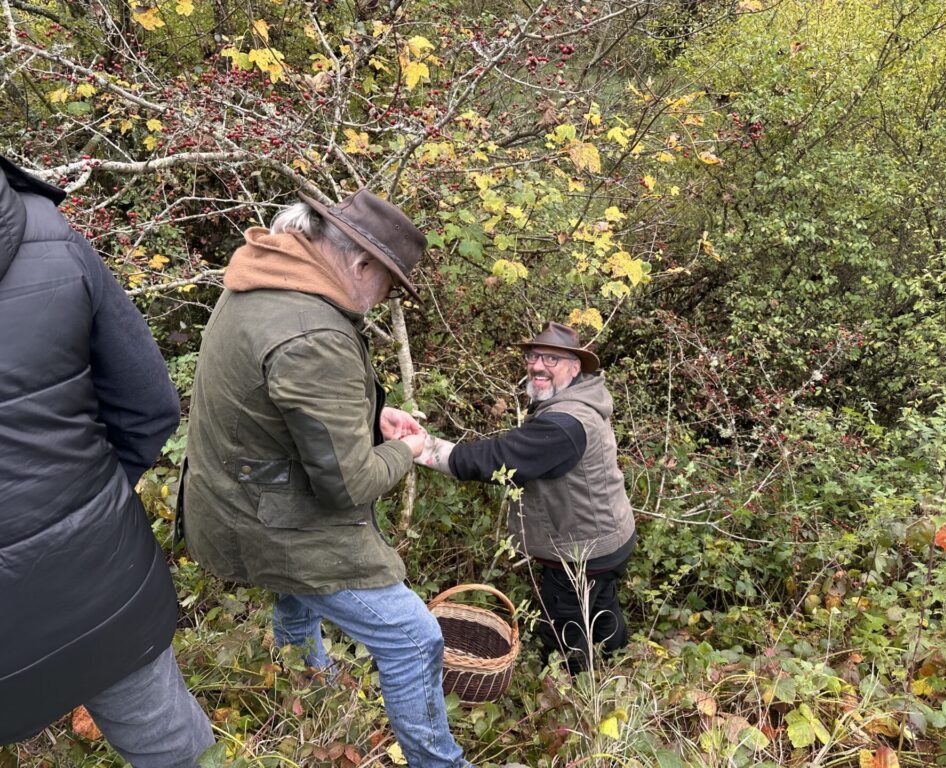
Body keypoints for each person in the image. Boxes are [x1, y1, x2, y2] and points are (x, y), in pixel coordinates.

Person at [181, 188, 468, 768]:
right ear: (362, 264)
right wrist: (408, 448)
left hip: (235, 497)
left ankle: (307, 686)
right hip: (274, 518)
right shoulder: (315, 333)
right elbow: (347, 484)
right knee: (413, 637)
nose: (385, 301)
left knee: (300, 593)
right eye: (390, 287)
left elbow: (281, 407)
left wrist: (370, 416)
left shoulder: (263, 283)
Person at [0, 156, 214, 765]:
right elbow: (149, 409)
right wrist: (83, 503)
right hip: (103, 584)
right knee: (172, 751)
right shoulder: (52, 236)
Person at [416, 322, 636, 674]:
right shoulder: (576, 400)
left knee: (567, 626)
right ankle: (621, 664)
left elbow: (498, 459)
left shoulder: (565, 422)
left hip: (585, 550)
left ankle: (579, 691)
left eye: (552, 358)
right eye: (533, 356)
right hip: (604, 537)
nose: (537, 365)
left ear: (575, 367)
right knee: (600, 609)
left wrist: (423, 450)